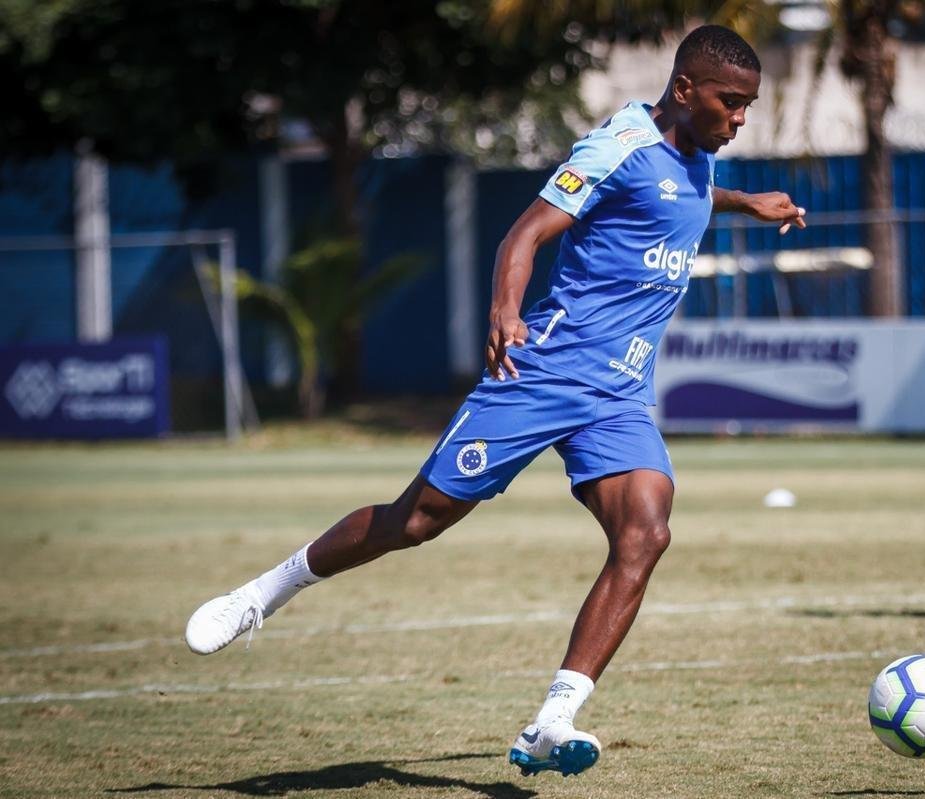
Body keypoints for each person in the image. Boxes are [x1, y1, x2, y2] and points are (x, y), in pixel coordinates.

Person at [184, 24, 805, 778]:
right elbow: (524, 234)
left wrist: (748, 203)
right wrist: (506, 311)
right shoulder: (620, 144)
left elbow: (685, 193)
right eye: (730, 103)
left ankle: (553, 718)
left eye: (747, 107)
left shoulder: (698, 157)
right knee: (412, 521)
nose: (740, 119)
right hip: (544, 369)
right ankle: (262, 593)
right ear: (684, 90)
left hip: (618, 393)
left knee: (646, 532)